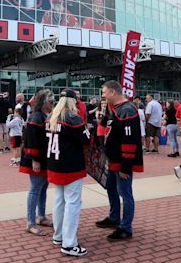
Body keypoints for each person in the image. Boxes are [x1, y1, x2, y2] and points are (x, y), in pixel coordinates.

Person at [97, 81, 143, 242]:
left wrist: (125, 167)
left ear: (112, 92)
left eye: (104, 92)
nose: (102, 96)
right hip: (112, 159)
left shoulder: (127, 110)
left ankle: (126, 228)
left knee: (125, 193)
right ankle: (114, 217)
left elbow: (130, 141)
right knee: (110, 187)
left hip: (122, 162)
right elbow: (104, 126)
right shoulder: (113, 109)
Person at [47, 88, 90, 257]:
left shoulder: (52, 116)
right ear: (73, 101)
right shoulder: (72, 117)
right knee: (72, 203)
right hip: (71, 165)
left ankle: (58, 236)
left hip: (54, 164)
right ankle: (69, 243)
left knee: (59, 201)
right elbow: (87, 139)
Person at [19, 89, 55, 237]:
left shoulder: (46, 115)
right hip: (36, 159)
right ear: (43, 102)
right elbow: (31, 140)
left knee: (43, 188)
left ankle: (41, 216)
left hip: (44, 158)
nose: (53, 103)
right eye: (51, 101)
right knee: (35, 189)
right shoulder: (36, 117)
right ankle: (30, 222)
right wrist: (35, 159)